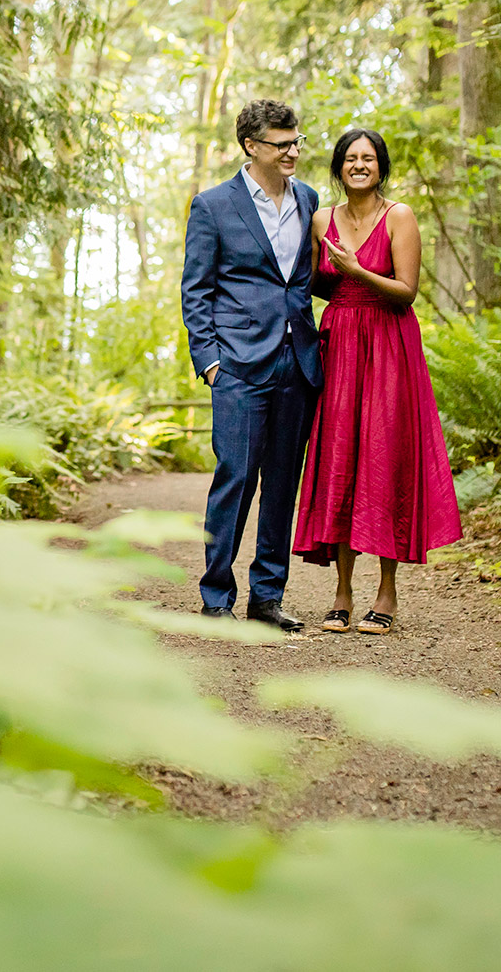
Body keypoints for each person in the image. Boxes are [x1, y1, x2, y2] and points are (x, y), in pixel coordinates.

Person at [292, 127, 461, 635]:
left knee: (383, 458)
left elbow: (405, 292)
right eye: (349, 158)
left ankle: (385, 593)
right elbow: (318, 284)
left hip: (388, 345)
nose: (358, 165)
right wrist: (330, 274)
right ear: (339, 167)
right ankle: (341, 594)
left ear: (380, 167)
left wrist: (357, 270)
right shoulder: (321, 218)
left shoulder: (400, 216)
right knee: (341, 457)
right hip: (340, 344)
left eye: (368, 158)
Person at [179, 99, 323, 631]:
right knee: (235, 480)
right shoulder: (213, 206)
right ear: (251, 146)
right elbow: (196, 290)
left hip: (298, 364)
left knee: (283, 485)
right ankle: (216, 597)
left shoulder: (308, 199)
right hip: (238, 366)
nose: (293, 151)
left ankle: (267, 598)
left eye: (296, 141)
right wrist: (210, 361)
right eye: (282, 143)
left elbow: (306, 277)